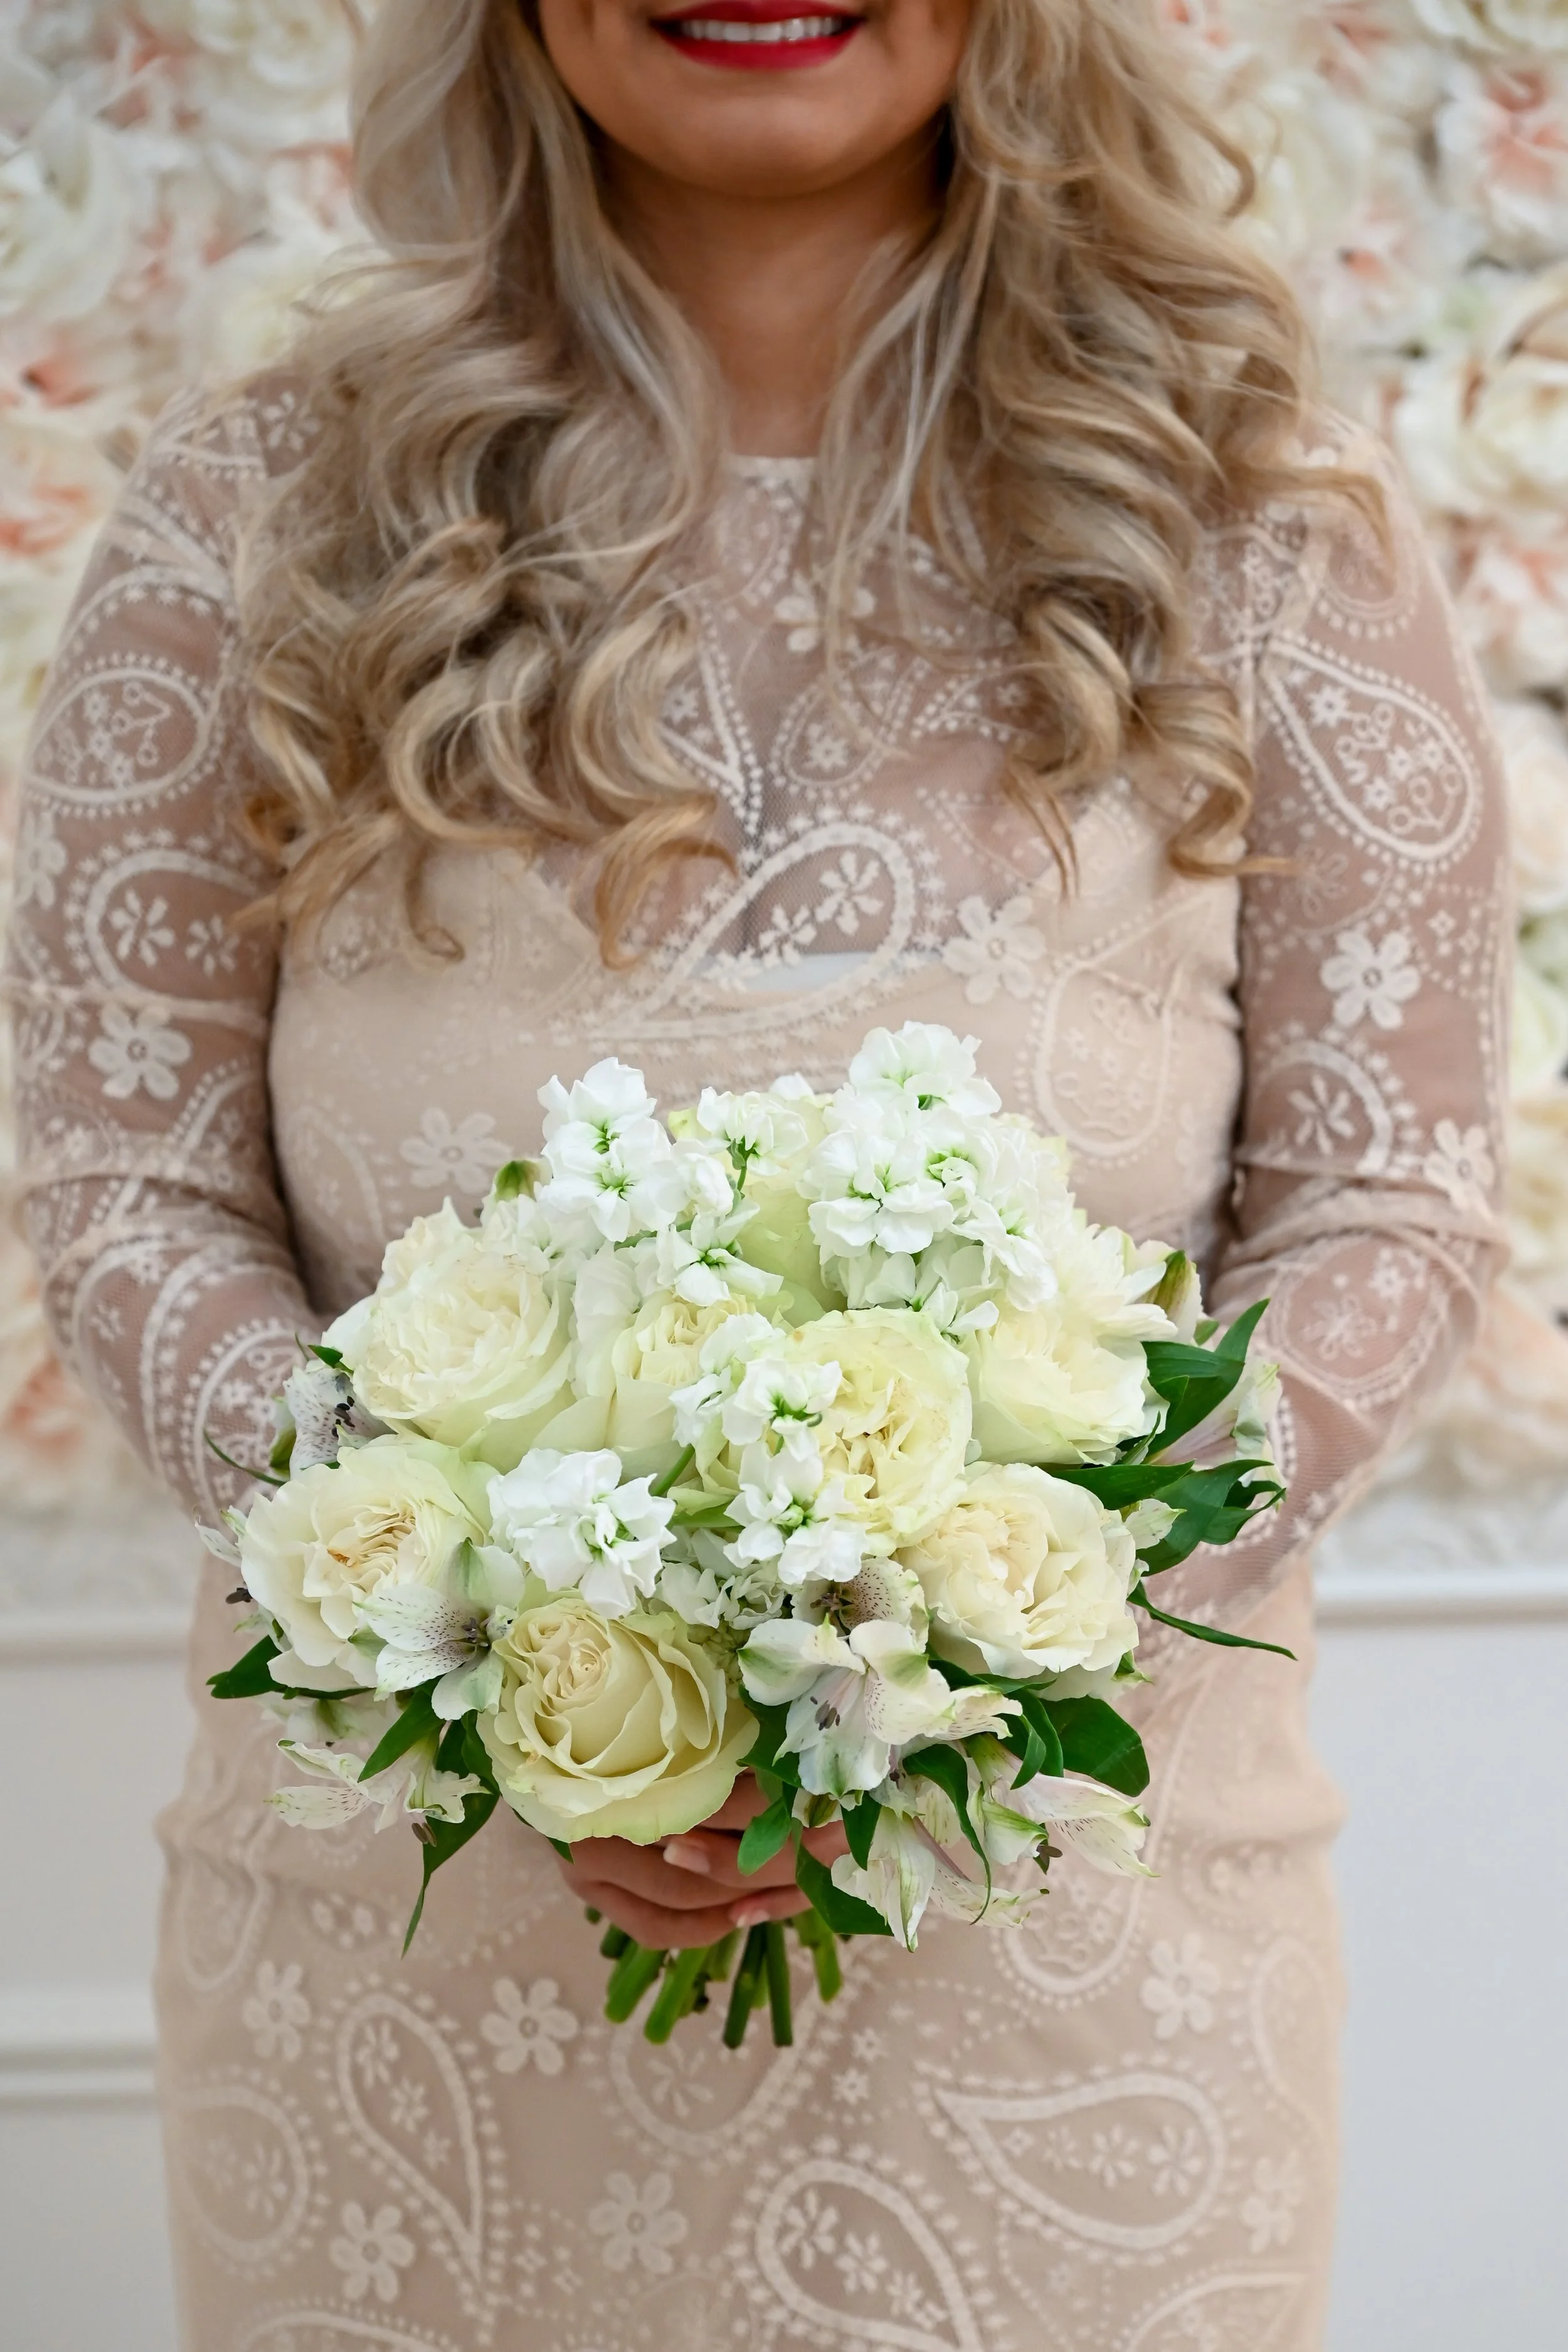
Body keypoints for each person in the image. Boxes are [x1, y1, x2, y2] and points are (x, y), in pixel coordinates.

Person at [6, 0, 1510, 2344]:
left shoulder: (1250, 518)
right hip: (403, 1996)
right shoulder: (255, 515)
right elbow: (122, 1183)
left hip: (1064, 1992)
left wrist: (939, 1652)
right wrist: (510, 1652)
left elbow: (1382, 1202)